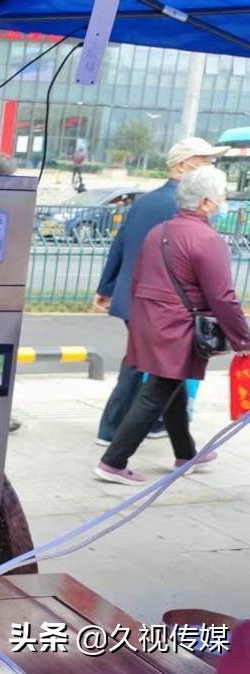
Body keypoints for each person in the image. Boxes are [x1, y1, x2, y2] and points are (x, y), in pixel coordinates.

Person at [95, 166, 250, 485]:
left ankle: (186, 453)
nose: (224, 202)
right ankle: (113, 461)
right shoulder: (207, 239)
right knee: (156, 393)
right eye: (222, 196)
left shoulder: (159, 231)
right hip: (178, 327)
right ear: (206, 202)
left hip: (149, 321)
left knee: (172, 387)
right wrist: (243, 340)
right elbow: (222, 297)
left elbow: (137, 279)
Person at [93, 138, 229, 448]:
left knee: (150, 367)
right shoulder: (181, 208)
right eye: (204, 160)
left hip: (135, 297)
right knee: (153, 370)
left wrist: (106, 287)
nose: (210, 167)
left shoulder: (146, 200)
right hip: (159, 303)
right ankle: (117, 437)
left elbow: (121, 243)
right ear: (182, 165)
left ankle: (145, 432)